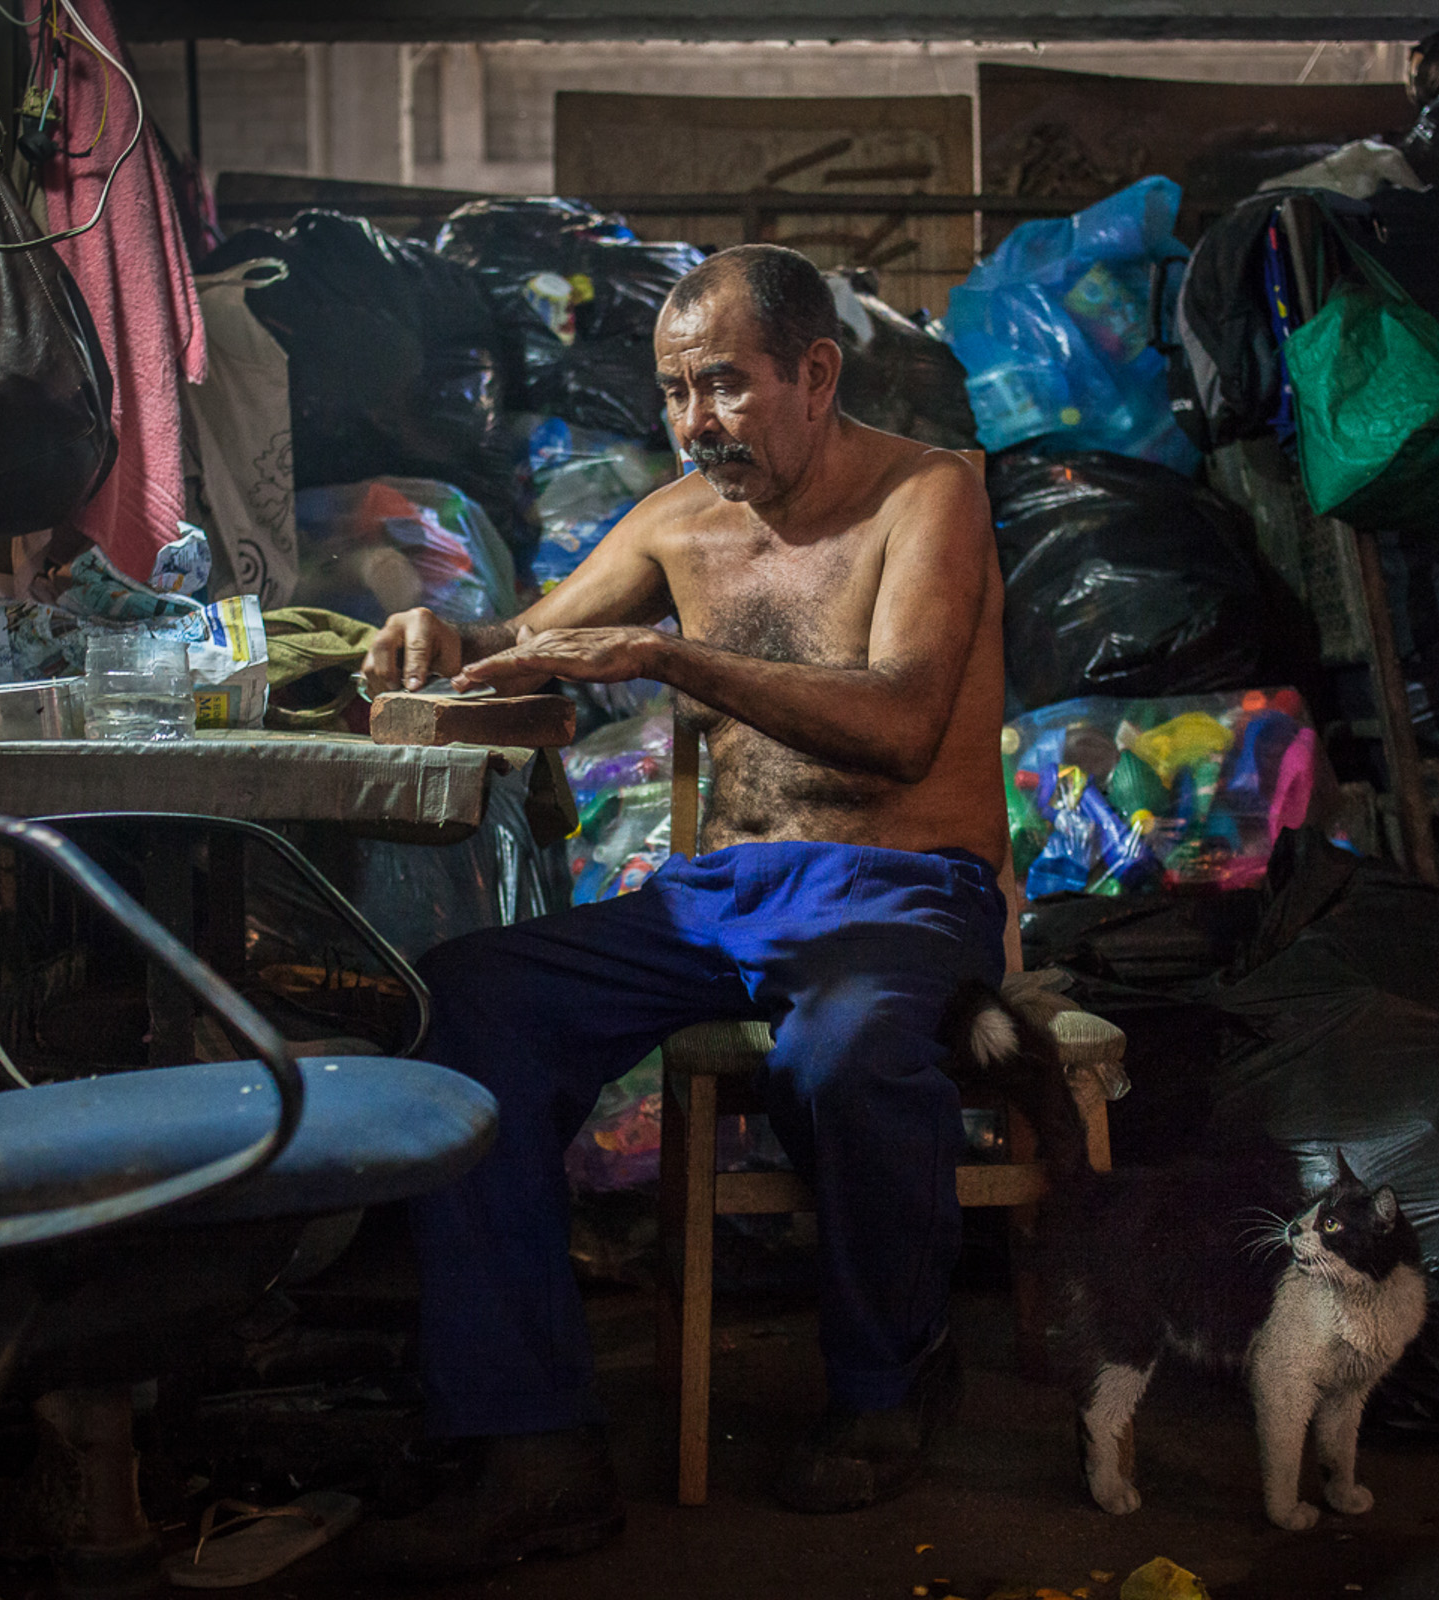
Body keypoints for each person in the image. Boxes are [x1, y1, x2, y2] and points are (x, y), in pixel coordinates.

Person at [352, 244, 1009, 1578]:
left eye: (725, 385)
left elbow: (898, 724)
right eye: (674, 394)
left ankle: (889, 1382)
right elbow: (525, 644)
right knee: (468, 1002)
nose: (698, 422)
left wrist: (659, 651)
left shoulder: (927, 495)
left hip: (900, 887)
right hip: (721, 899)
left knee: (850, 1053)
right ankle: (536, 1440)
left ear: (816, 374)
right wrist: (440, 639)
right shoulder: (672, 523)